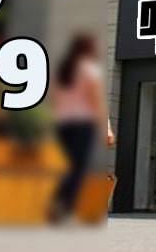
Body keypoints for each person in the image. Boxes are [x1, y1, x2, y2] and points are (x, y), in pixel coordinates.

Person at [50, 34, 115, 222]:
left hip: (61, 125)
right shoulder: (89, 69)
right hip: (81, 125)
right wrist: (107, 128)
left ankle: (58, 204)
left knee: (66, 166)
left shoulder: (64, 70)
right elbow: (97, 101)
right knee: (78, 168)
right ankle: (65, 208)